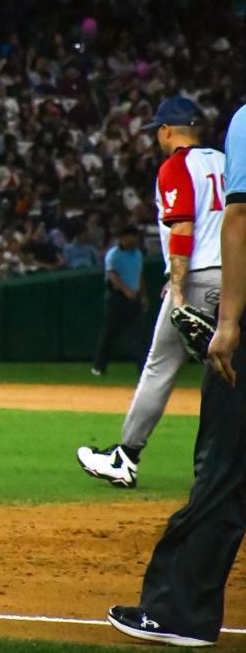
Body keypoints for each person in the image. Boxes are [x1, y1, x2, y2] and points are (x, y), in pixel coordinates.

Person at [106, 101, 246, 647]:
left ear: (166, 132)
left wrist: (205, 304)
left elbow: (230, 220)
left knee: (223, 461)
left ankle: (180, 611)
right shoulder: (217, 152)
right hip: (226, 277)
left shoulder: (189, 157)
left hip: (218, 284)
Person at [78, 98, 223, 489]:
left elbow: (182, 228)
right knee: (230, 372)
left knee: (160, 366)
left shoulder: (176, 165)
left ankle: (126, 456)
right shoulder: (228, 163)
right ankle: (223, 467)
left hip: (198, 279)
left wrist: (177, 290)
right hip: (235, 280)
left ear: (166, 130)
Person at [90, 225, 148, 378]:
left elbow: (140, 274)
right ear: (123, 237)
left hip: (133, 298)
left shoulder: (138, 254)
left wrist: (143, 295)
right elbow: (111, 276)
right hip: (116, 298)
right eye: (131, 236)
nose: (134, 239)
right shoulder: (113, 255)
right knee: (109, 333)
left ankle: (143, 369)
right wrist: (126, 290)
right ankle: (98, 366)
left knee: (138, 335)